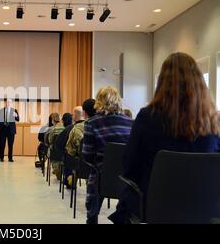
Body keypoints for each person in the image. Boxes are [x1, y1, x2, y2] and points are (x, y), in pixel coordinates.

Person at [110, 53, 220, 224]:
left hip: (154, 208)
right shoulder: (214, 123)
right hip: (206, 210)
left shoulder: (147, 117)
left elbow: (129, 166)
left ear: (162, 82)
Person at [83, 86, 133, 224]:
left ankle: (92, 218)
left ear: (98, 101)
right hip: (126, 179)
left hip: (101, 178)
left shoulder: (91, 123)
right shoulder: (131, 123)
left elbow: (87, 155)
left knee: (94, 174)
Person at [46, 113, 66, 180]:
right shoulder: (64, 127)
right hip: (64, 152)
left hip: (54, 152)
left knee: (49, 149)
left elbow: (50, 140)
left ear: (52, 120)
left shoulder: (52, 129)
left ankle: (56, 170)